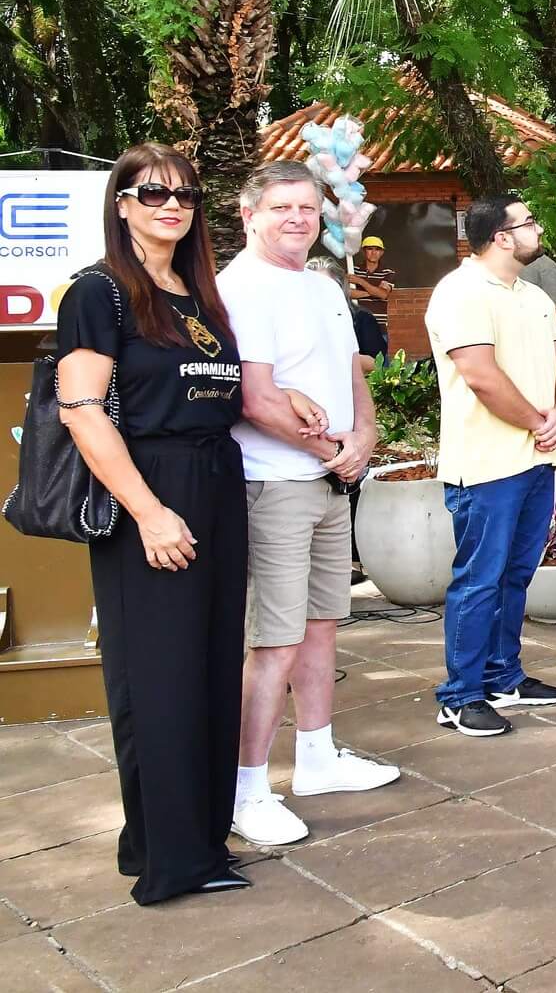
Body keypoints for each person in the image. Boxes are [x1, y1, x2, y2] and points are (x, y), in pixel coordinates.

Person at [55, 144, 249, 902]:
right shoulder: (97, 293)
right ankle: (173, 860)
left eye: (186, 194)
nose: (172, 204)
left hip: (215, 482)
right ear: (122, 202)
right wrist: (148, 510)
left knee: (209, 668)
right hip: (150, 487)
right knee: (160, 678)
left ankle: (191, 837)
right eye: (154, 191)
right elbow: (81, 413)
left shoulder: (196, 292)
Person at [219, 163, 397, 849]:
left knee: (322, 625)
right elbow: (255, 397)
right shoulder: (239, 287)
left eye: (308, 206)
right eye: (281, 206)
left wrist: (367, 436)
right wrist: (332, 452)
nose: (298, 217)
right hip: (274, 484)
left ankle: (318, 758)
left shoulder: (322, 286)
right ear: (249, 214)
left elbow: (354, 375)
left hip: (328, 481)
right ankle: (247, 787)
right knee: (275, 640)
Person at [424, 195, 556, 737]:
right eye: (529, 221)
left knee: (516, 574)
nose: (538, 228)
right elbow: (481, 376)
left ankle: (503, 676)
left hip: (537, 460)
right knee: (479, 580)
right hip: (486, 465)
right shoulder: (460, 292)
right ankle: (459, 696)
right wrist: (539, 422)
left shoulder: (533, 295)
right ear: (502, 238)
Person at [310, 256, 387, 372]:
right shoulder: (293, 320)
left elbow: (377, 364)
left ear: (341, 287)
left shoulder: (361, 319)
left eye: (327, 285)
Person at [348, 236, 395, 308]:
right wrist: (375, 292)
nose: (374, 253)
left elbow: (383, 295)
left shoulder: (388, 272)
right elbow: (348, 293)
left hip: (378, 318)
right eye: (370, 249)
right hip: (358, 317)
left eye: (377, 249)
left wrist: (360, 281)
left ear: (382, 252)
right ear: (363, 251)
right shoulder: (353, 270)